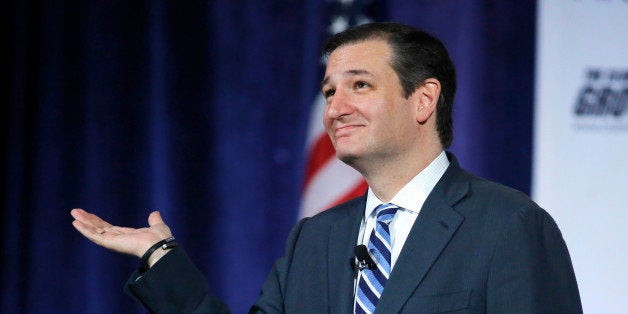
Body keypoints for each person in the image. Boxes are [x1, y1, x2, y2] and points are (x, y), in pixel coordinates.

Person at [71, 22, 582, 313]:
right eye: (329, 91)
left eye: (360, 85)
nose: (335, 108)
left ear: (424, 98)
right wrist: (160, 257)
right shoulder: (314, 240)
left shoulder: (508, 225)